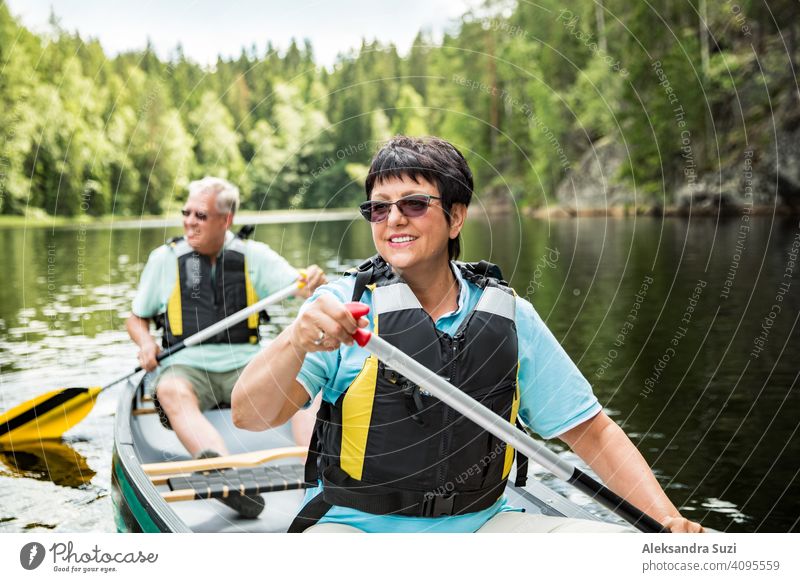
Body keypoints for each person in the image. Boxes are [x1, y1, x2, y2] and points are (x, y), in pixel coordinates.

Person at [232, 136, 705, 533]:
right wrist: (295, 341)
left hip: (484, 524)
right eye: (378, 209)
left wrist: (667, 521)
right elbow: (249, 415)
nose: (393, 219)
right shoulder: (339, 308)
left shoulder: (510, 316)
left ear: (456, 217)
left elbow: (593, 433)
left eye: (414, 204)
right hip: (355, 527)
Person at [126, 176, 326, 518]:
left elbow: (301, 286)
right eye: (186, 212)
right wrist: (145, 343)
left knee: (308, 383)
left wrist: (312, 280)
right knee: (170, 391)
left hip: (245, 365)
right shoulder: (166, 259)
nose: (189, 221)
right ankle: (222, 473)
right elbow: (136, 317)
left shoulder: (253, 256)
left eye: (200, 215)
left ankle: (318, 470)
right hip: (188, 367)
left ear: (226, 220)